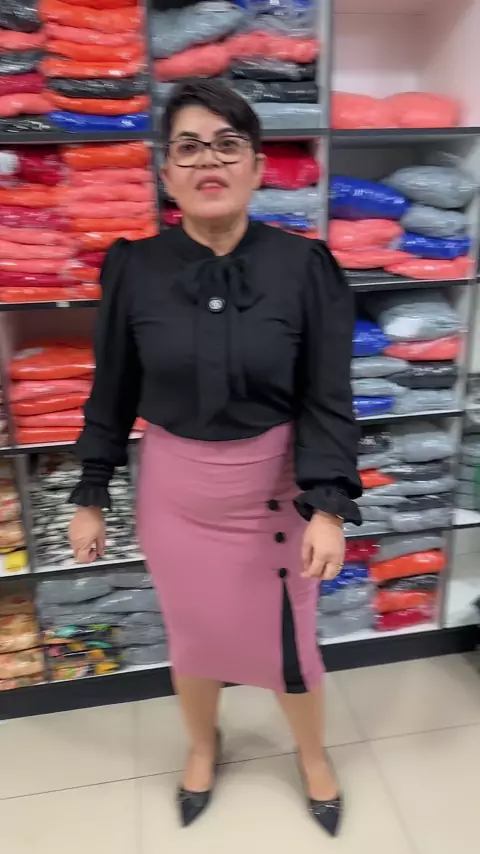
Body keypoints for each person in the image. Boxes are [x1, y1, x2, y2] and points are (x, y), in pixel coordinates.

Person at [68, 78, 362, 835]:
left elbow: (328, 396)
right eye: (190, 146)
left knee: (291, 640)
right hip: (175, 498)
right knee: (193, 635)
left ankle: (312, 756)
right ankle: (203, 745)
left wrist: (329, 506)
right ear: (166, 171)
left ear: (258, 167)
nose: (209, 160)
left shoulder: (305, 268)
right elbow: (112, 387)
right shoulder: (134, 267)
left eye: (228, 145)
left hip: (274, 493)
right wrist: (91, 492)